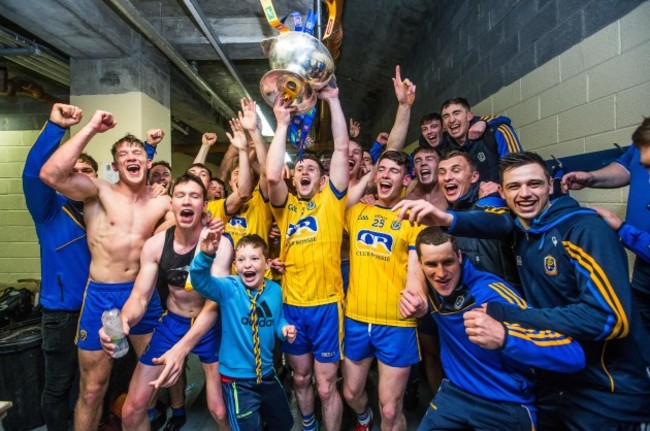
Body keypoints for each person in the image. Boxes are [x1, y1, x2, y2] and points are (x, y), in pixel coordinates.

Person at [486, 151, 650, 429]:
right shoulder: (524, 233)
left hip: (606, 393)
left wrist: (512, 317)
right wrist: (447, 218)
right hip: (558, 384)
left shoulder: (583, 229)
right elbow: (483, 222)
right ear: (502, 192)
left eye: (534, 184)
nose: (524, 193)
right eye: (514, 186)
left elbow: (610, 319)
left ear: (551, 186)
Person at [39, 110, 171, 430]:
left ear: (148, 161)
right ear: (115, 167)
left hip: (143, 295)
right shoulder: (98, 191)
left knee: (152, 380)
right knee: (94, 388)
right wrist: (91, 129)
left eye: (137, 152)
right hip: (103, 298)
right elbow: (51, 175)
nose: (130, 156)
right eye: (123, 155)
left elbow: (184, 234)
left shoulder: (161, 204)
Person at [414, 227, 585, 430]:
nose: (441, 273)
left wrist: (505, 337)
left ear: (459, 256)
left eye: (448, 262)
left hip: (505, 402)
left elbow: (574, 355)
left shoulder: (492, 294)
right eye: (432, 264)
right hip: (456, 393)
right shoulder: (424, 290)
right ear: (420, 265)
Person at [99, 175, 232, 430]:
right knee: (132, 409)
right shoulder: (155, 245)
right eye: (180, 195)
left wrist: (181, 350)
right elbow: (140, 296)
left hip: (209, 325)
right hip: (173, 323)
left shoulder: (219, 244)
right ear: (172, 204)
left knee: (218, 409)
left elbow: (213, 305)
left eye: (194, 196)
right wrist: (123, 321)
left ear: (204, 205)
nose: (187, 201)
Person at [266, 84, 349, 431]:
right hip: (293, 306)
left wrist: (332, 99)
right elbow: (271, 175)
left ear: (323, 178)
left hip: (327, 306)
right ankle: (309, 426)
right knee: (300, 380)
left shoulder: (332, 201)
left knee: (326, 384)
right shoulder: (285, 209)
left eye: (311, 169)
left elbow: (342, 147)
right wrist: (281, 124)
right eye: (300, 167)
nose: (304, 171)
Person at [23, 103, 97, 430]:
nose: (79, 175)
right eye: (72, 170)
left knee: (93, 384)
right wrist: (55, 129)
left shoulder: (104, 210)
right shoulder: (50, 210)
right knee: (59, 385)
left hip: (99, 309)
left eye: (87, 171)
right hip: (62, 314)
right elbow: (31, 174)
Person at [343, 150, 428, 431]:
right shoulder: (357, 212)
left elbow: (417, 266)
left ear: (406, 179)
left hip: (396, 324)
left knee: (391, 409)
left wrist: (418, 298)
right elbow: (337, 199)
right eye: (382, 170)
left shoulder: (413, 219)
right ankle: (364, 419)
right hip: (356, 319)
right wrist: (367, 176)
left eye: (394, 171)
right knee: (351, 393)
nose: (385, 176)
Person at [190, 233, 296, 431]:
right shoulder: (228, 289)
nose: (247, 265)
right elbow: (200, 281)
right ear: (235, 266)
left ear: (266, 264)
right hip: (237, 381)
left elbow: (277, 319)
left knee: (284, 422)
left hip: (266, 373)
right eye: (241, 260)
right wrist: (205, 255)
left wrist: (284, 330)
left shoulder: (275, 290)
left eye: (255, 258)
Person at [562, 117, 650, 333]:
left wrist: (622, 229)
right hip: (644, 266)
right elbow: (627, 167)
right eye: (646, 167)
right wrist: (591, 177)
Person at [438, 97, 522, 182]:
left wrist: (498, 188)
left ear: (469, 116)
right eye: (446, 116)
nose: (451, 120)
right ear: (443, 125)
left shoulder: (497, 132)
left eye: (456, 113)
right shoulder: (446, 151)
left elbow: (518, 169)